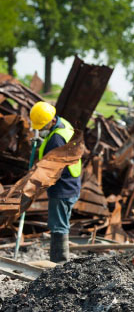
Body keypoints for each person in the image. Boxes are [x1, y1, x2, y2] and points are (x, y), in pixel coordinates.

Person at [29, 101, 82, 263]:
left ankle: (59, 262)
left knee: (58, 225)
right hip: (70, 182)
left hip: (62, 187)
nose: (41, 130)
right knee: (60, 222)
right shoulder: (63, 124)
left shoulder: (56, 139)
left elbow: (50, 168)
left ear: (51, 121)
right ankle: (59, 262)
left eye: (42, 126)